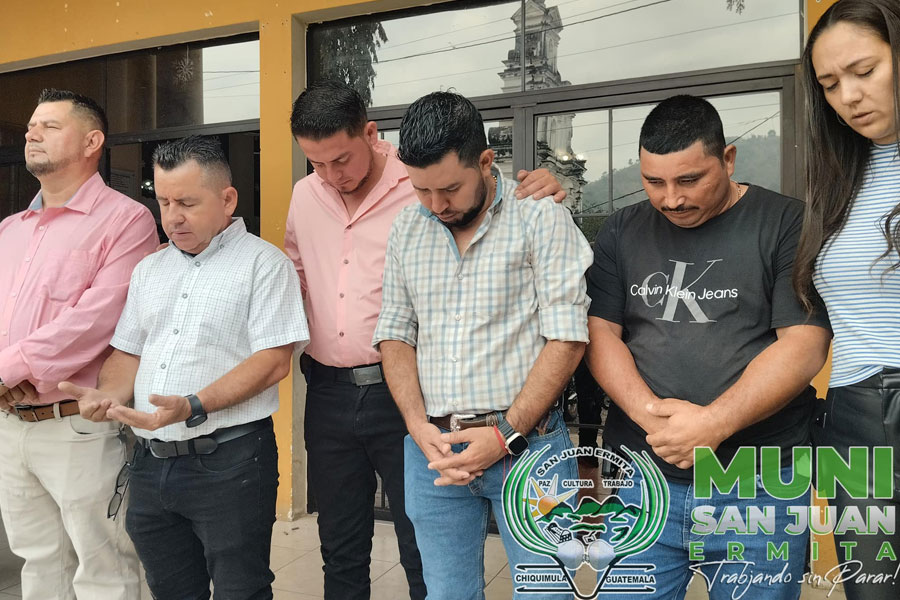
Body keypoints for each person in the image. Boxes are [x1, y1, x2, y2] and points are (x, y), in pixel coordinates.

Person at [284, 80, 565, 600]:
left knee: (445, 554)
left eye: (340, 159)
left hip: (448, 409)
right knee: (347, 543)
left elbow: (564, 332)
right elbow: (308, 284)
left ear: (371, 134)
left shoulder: (439, 191)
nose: (330, 175)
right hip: (344, 394)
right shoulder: (318, 200)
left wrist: (546, 183)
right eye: (316, 163)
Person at [585, 95, 832, 599]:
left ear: (728, 159)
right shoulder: (622, 229)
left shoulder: (787, 222)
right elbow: (600, 332)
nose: (671, 199)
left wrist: (713, 424)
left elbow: (805, 343)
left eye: (689, 180)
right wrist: (652, 417)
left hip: (759, 484)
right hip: (642, 481)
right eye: (654, 182)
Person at [59, 135, 309, 599]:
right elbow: (128, 353)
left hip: (230, 461)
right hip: (151, 464)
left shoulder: (264, 265)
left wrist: (194, 404)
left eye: (188, 203)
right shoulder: (149, 270)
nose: (172, 217)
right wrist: (107, 395)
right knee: (170, 588)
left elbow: (274, 361)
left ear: (227, 199)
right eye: (164, 202)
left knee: (241, 589)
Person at [373, 90, 592, 599]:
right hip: (434, 450)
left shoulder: (539, 216)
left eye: (450, 188)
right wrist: (416, 424)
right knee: (447, 593)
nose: (436, 205)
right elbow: (396, 332)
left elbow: (567, 337)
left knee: (545, 592)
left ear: (487, 162)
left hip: (529, 450)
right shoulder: (408, 228)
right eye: (422, 190)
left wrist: (505, 435)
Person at [0, 88, 155, 600]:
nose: (32, 133)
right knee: (38, 561)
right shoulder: (10, 230)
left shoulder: (127, 220)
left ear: (92, 142)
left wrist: (7, 369)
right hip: (10, 424)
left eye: (49, 125)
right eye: (31, 126)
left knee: (102, 566)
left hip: (76, 427)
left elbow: (97, 319)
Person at [795, 2, 900, 598]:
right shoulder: (838, 180)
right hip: (855, 419)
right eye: (830, 84)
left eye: (865, 71)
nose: (849, 96)